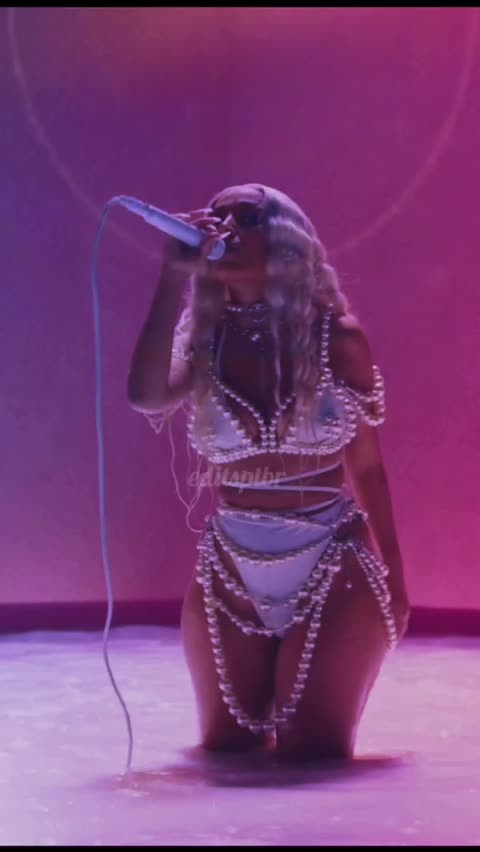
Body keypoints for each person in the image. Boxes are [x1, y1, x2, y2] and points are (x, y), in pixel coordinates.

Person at [127, 183, 410, 762]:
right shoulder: (204, 340)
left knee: (312, 758)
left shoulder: (337, 338)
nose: (225, 227)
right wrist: (171, 277)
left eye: (247, 217)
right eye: (217, 215)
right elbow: (146, 396)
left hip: (332, 559)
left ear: (287, 240)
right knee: (226, 757)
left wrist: (397, 582)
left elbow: (368, 467)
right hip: (230, 564)